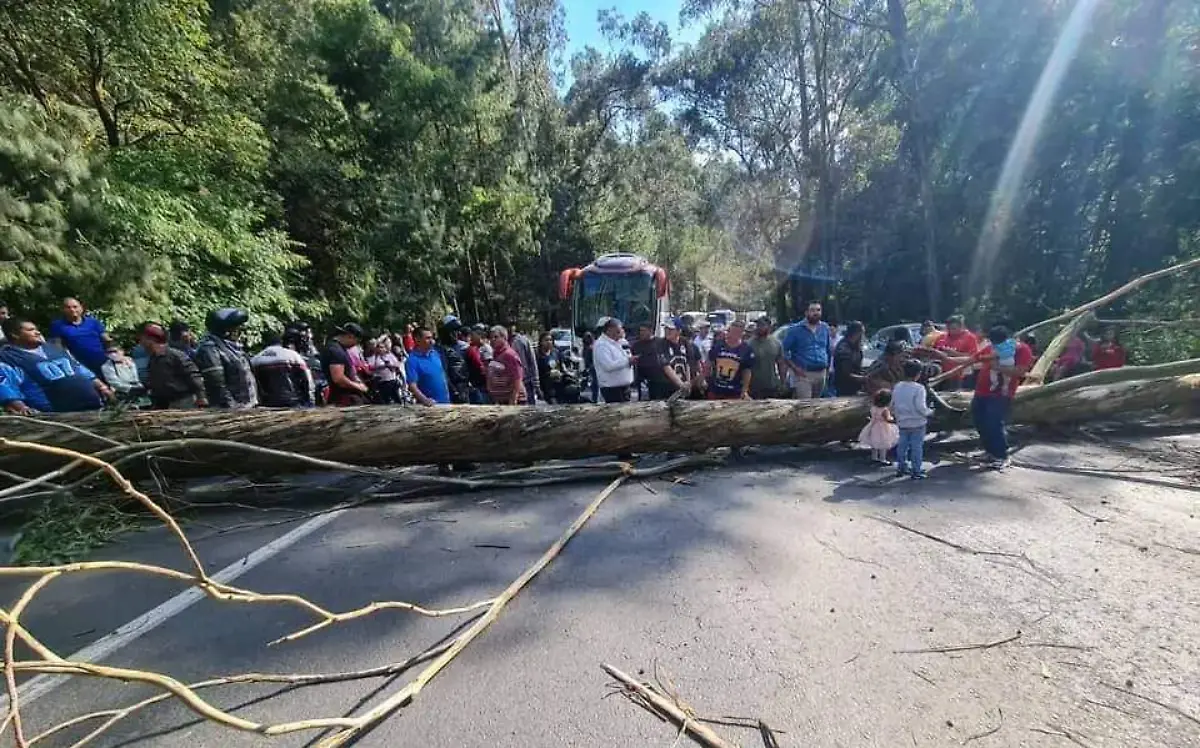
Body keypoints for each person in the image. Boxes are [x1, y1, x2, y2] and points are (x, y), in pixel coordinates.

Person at [956, 325, 1034, 468]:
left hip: (1001, 393)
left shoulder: (1022, 350)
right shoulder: (991, 348)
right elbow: (972, 359)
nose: (995, 345)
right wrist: (942, 356)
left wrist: (997, 367)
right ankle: (989, 451)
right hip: (981, 391)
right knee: (979, 420)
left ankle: (1001, 455)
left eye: (998, 342)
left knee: (993, 422)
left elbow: (1020, 372)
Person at [0, 317, 114, 414]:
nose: (37, 332)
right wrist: (21, 408)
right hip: (56, 415)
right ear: (15, 335)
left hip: (92, 405)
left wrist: (102, 387)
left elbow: (79, 368)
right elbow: (6, 386)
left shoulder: (54, 348)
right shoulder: (8, 358)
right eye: (31, 330)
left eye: (36, 329)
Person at [195, 308, 258, 409]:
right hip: (230, 411)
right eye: (237, 328)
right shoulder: (210, 348)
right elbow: (217, 384)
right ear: (227, 330)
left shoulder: (233, 348)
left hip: (246, 407)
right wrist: (232, 407)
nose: (240, 332)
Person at [142, 323, 207, 409]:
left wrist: (201, 397)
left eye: (143, 339)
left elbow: (193, 375)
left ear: (150, 339)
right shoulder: (153, 359)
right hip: (164, 404)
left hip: (183, 402)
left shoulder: (175, 355)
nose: (141, 343)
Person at [892, 359, 934, 479]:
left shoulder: (897, 386)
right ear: (918, 374)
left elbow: (893, 403)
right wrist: (930, 412)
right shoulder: (919, 388)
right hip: (917, 423)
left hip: (902, 422)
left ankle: (901, 467)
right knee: (916, 448)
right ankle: (916, 470)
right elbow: (920, 407)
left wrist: (895, 415)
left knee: (902, 446)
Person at [251, 331, 314, 407]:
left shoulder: (255, 359)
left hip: (266, 404)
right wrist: (310, 401)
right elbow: (307, 379)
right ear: (281, 342)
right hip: (292, 403)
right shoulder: (292, 355)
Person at [783, 301, 832, 398]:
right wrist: (795, 368)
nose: (816, 313)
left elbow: (827, 349)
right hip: (804, 374)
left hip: (821, 372)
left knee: (816, 405)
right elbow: (783, 351)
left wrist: (827, 369)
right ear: (806, 313)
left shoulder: (825, 328)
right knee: (805, 405)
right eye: (812, 310)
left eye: (818, 310)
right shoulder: (795, 329)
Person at [49, 297, 110, 373]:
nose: (72, 310)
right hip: (80, 368)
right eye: (68, 307)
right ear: (63, 310)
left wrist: (116, 356)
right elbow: (57, 348)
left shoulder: (93, 322)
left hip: (104, 364)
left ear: (81, 308)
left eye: (75, 307)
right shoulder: (58, 325)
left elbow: (108, 341)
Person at [321, 322, 371, 406]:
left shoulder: (340, 349)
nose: (356, 345)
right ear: (350, 336)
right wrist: (359, 387)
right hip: (343, 398)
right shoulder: (335, 350)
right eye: (357, 341)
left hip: (346, 397)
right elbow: (338, 379)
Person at [706, 320, 755, 400]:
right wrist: (703, 379)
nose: (733, 335)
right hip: (716, 390)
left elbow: (747, 371)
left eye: (737, 332)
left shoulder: (746, 349)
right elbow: (709, 364)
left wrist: (744, 390)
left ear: (741, 333)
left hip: (734, 392)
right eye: (732, 331)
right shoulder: (718, 345)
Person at [406, 325, 452, 406]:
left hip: (446, 402)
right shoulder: (412, 361)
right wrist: (425, 400)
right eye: (427, 338)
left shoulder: (435, 353)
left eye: (431, 337)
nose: (432, 341)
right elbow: (412, 385)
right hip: (430, 407)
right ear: (417, 340)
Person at [930, 315, 979, 390]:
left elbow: (973, 357)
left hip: (960, 375)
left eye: (953, 328)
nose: (951, 331)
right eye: (948, 328)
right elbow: (933, 352)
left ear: (961, 327)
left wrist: (954, 353)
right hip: (941, 374)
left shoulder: (970, 338)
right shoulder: (942, 337)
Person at [593, 318, 635, 403]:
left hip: (625, 387)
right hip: (612, 389)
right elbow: (608, 366)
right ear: (609, 331)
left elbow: (627, 354)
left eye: (621, 330)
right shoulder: (601, 345)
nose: (620, 333)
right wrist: (628, 361)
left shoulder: (622, 341)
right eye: (618, 331)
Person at [747, 317, 786, 399]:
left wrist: (783, 382)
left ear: (769, 327)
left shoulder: (776, 343)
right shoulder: (749, 344)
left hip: (772, 385)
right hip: (753, 387)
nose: (759, 327)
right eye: (758, 325)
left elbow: (781, 364)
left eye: (762, 325)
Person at [486, 325, 526, 405]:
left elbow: (517, 377)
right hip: (502, 400)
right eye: (491, 338)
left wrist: (513, 399)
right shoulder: (496, 354)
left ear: (504, 337)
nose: (492, 340)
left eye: (496, 337)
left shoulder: (509, 354)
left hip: (514, 400)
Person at [858, 389, 899, 465]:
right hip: (883, 428)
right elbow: (887, 419)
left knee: (874, 443)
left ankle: (874, 457)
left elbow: (873, 415)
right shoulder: (884, 410)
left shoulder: (873, 407)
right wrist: (895, 421)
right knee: (883, 444)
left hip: (873, 426)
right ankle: (882, 459)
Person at [437, 318, 472, 404]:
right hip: (450, 390)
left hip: (464, 387)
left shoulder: (463, 346)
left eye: (457, 331)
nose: (457, 334)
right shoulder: (438, 350)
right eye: (453, 331)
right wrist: (454, 390)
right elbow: (443, 372)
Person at [365, 337, 405, 404]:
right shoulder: (373, 357)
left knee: (397, 399)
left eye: (382, 347)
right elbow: (370, 368)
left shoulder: (390, 356)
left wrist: (391, 365)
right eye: (378, 347)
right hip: (382, 382)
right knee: (385, 400)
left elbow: (397, 364)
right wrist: (382, 366)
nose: (380, 349)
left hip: (392, 380)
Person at [508, 324, 540, 405]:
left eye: (511, 325)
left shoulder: (523, 341)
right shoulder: (504, 343)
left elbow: (532, 361)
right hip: (511, 384)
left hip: (526, 381)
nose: (510, 328)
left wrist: (536, 382)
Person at [832, 321, 866, 396]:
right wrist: (864, 378)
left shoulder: (856, 347)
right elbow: (846, 373)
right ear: (857, 333)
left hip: (855, 386)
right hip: (845, 387)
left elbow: (857, 367)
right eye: (862, 333)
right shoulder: (843, 348)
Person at [659, 319, 691, 398]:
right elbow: (666, 367)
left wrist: (688, 382)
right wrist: (681, 385)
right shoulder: (661, 344)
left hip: (682, 386)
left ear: (678, 331)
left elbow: (687, 364)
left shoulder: (685, 342)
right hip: (665, 386)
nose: (667, 331)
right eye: (665, 328)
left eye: (670, 329)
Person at [986, 326, 1018, 395]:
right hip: (1010, 360)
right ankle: (1005, 386)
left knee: (993, 371)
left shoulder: (996, 345)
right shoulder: (1010, 342)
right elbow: (1017, 345)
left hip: (1001, 360)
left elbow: (993, 353)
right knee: (1006, 375)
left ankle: (995, 383)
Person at [536, 332, 566, 403]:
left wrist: (561, 372)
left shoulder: (556, 352)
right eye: (546, 340)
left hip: (558, 387)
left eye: (550, 340)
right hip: (545, 388)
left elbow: (562, 367)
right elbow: (536, 372)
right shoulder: (537, 355)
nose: (549, 342)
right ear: (541, 342)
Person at [465, 324, 490, 403]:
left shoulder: (485, 348)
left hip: (484, 385)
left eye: (473, 335)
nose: (471, 337)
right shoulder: (475, 348)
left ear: (479, 335)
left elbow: (486, 368)